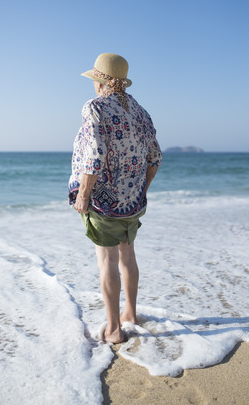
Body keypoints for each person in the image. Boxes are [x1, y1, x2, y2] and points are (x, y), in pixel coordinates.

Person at [68, 53, 162, 344]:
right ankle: (130, 314)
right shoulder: (140, 111)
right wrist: (140, 190)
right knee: (128, 256)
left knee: (106, 261)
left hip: (103, 201)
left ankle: (113, 329)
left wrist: (83, 195)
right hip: (132, 202)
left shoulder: (94, 107)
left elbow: (94, 157)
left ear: (99, 83)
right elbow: (155, 157)